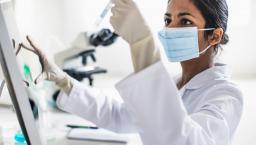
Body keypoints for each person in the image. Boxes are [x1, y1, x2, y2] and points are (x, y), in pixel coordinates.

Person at [20, 0, 243, 144]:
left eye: (185, 21)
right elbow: (118, 116)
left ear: (214, 35)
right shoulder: (177, 83)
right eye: (168, 20)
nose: (171, 29)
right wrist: (64, 81)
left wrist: (142, 44)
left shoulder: (226, 95)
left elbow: (183, 140)